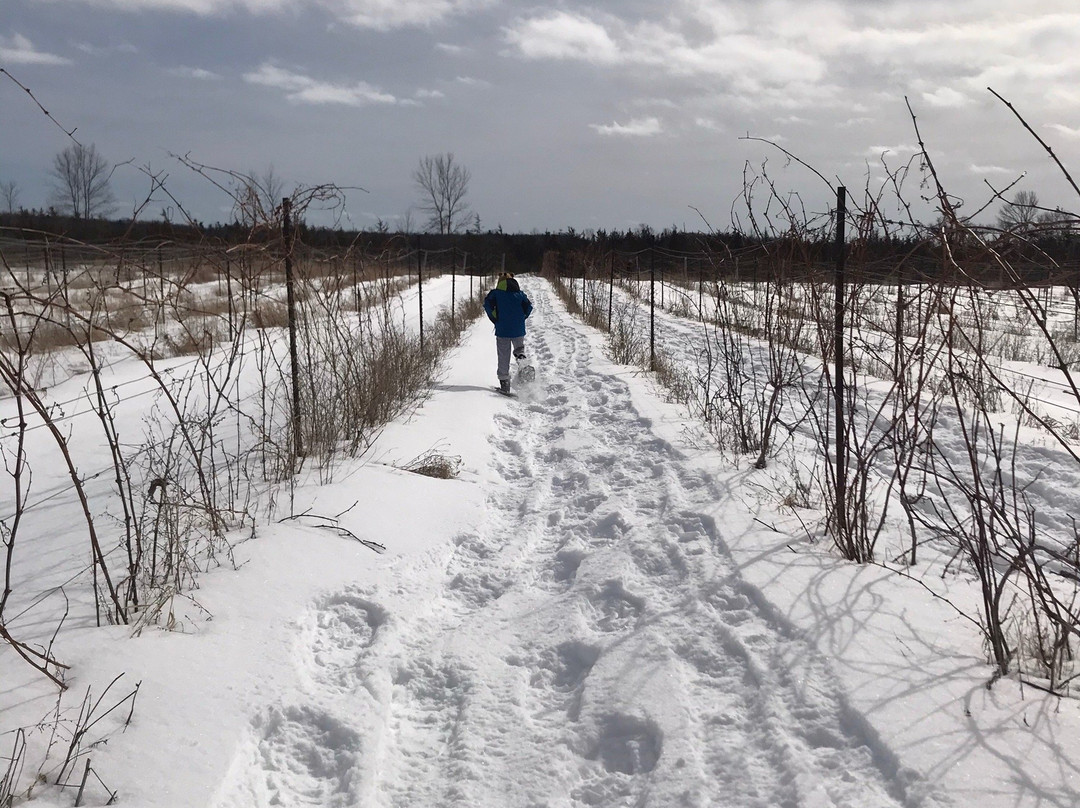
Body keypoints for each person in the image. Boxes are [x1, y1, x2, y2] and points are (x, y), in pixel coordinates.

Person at [483, 272, 533, 393]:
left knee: (504, 356)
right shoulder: (520, 294)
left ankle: (505, 385)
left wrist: (495, 318)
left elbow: (487, 305)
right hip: (518, 329)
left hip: (503, 330)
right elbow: (529, 307)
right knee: (519, 349)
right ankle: (522, 362)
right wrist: (521, 318)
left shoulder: (496, 294)